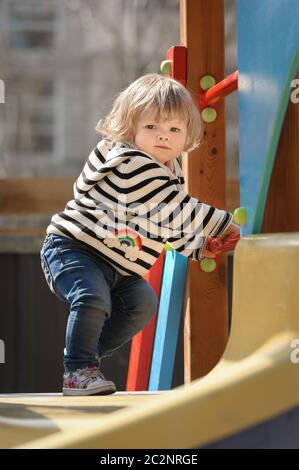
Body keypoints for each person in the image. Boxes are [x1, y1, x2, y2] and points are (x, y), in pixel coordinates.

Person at [40, 73, 240, 396]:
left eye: (174, 129)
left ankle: (84, 356)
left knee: (142, 303)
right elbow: (179, 208)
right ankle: (77, 367)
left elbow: (164, 222)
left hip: (118, 266)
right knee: (92, 296)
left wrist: (198, 245)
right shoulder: (131, 163)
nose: (163, 137)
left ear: (187, 135)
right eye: (152, 128)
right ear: (131, 127)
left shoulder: (167, 173)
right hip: (75, 249)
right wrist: (224, 225)